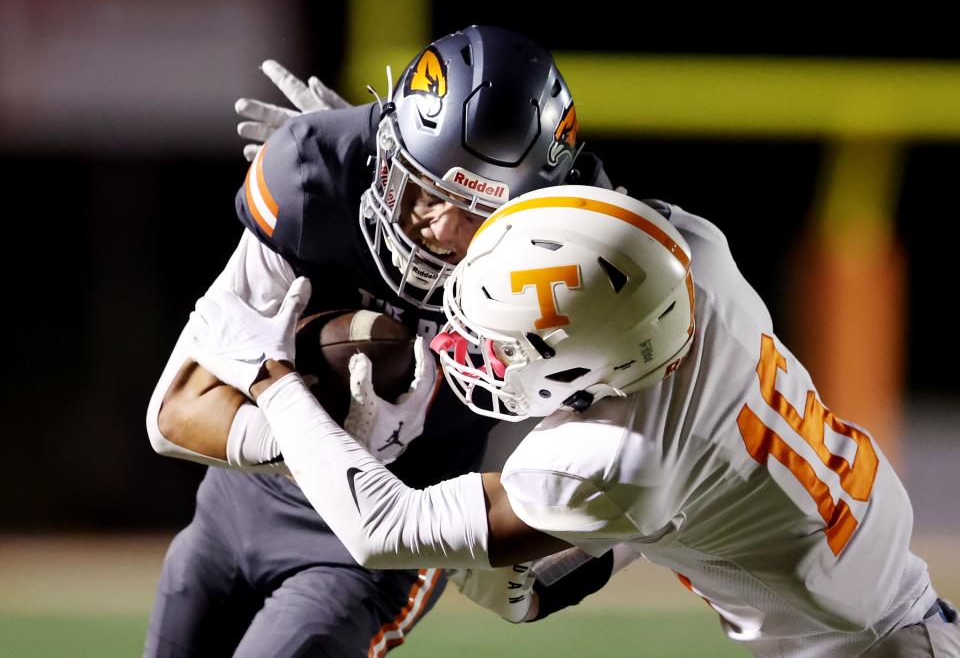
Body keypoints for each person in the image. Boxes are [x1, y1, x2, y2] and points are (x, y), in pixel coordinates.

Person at [188, 185, 960, 657]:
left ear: (587, 372)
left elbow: (383, 529)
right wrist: (393, 189)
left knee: (495, 575)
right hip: (861, 590)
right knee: (503, 581)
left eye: (503, 347)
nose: (471, 352)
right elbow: (569, 226)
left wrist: (272, 377)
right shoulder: (690, 256)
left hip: (871, 646)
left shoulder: (620, 457)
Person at [144, 26, 612, 657]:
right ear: (388, 155)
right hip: (238, 502)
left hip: (379, 541)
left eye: (478, 213)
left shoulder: (580, 261)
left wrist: (531, 574)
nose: (441, 229)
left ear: (537, 209)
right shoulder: (318, 180)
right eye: (426, 191)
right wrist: (317, 439)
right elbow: (172, 414)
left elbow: (603, 474)